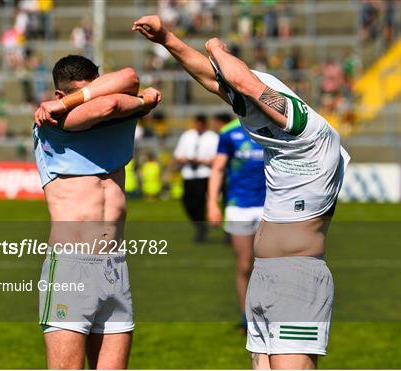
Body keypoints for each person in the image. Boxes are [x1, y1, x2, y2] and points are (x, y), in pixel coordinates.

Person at [133, 16, 349, 370]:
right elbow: (215, 80)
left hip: (297, 277)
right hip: (265, 275)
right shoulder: (275, 135)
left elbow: (242, 81)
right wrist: (167, 39)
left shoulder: (308, 130)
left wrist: (216, 47)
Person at [32, 55, 161, 369]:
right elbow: (110, 105)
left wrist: (137, 97)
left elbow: (129, 75)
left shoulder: (77, 106)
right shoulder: (54, 121)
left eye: (97, 88)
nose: (98, 95)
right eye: (79, 94)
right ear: (59, 97)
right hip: (70, 266)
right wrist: (143, 101)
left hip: (114, 265)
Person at [207, 117, 265, 331]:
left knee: (271, 264)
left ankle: (269, 314)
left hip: (269, 207)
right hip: (238, 206)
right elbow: (218, 169)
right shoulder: (230, 132)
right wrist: (212, 203)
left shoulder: (271, 127)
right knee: (244, 264)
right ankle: (246, 317)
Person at [173, 114, 219, 243]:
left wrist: (202, 161)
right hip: (189, 174)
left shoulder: (212, 137)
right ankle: (199, 224)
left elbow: (216, 158)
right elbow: (178, 155)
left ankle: (202, 228)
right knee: (187, 201)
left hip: (204, 174)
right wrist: (187, 159)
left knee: (200, 202)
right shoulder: (187, 135)